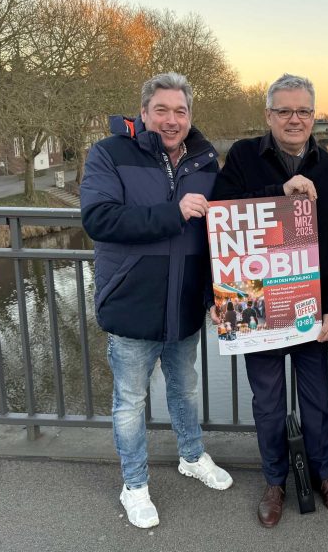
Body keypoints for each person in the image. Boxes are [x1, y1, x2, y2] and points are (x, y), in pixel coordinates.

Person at [80, 72, 232, 529]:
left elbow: (224, 229)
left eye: (180, 111)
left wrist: (215, 292)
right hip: (132, 301)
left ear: (190, 117)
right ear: (143, 113)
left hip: (185, 302)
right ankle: (134, 484)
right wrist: (173, 212)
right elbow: (99, 218)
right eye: (161, 110)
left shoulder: (206, 161)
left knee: (185, 389)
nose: (171, 119)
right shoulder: (109, 153)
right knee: (130, 401)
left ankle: (191, 456)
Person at [212, 73, 328, 528]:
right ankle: (274, 481)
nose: (295, 119)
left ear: (314, 116)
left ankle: (323, 475)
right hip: (258, 312)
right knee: (267, 404)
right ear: (268, 115)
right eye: (285, 111)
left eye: (304, 111)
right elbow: (222, 215)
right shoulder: (243, 158)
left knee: (318, 404)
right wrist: (278, 194)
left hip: (311, 310)